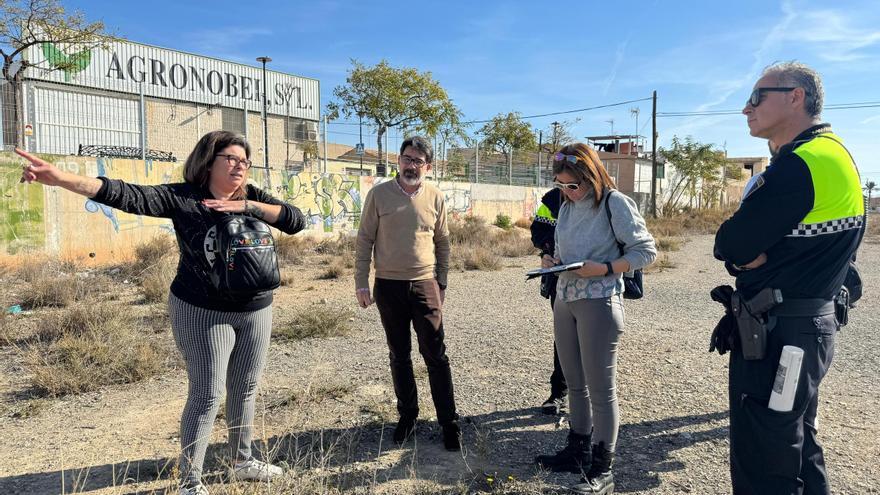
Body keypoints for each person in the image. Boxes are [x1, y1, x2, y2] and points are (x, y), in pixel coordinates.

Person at [17, 130, 307, 495]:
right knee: (207, 394)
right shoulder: (183, 198)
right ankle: (190, 481)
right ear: (208, 162)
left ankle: (242, 461)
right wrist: (61, 178)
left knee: (245, 388)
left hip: (256, 309)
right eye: (231, 158)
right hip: (202, 311)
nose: (239, 166)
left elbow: (295, 221)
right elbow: (127, 194)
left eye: (244, 161)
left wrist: (247, 207)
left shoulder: (251, 196)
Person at [714, 62, 863, 494]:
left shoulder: (802, 162)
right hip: (808, 326)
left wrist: (745, 258)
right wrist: (751, 256)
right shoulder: (835, 153)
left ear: (796, 96)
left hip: (780, 334)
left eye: (756, 97)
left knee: (764, 458)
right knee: (797, 443)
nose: (746, 108)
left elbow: (731, 242)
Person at [534, 143, 656, 494]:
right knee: (575, 384)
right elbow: (563, 248)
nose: (567, 191)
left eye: (573, 185)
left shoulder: (615, 203)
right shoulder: (566, 207)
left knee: (601, 391)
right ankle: (578, 450)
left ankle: (603, 470)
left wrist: (603, 268)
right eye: (560, 185)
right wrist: (550, 260)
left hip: (599, 302)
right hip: (565, 299)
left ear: (591, 175)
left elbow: (646, 251)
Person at [354, 135, 461, 451]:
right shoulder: (378, 195)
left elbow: (442, 242)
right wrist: (361, 282)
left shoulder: (435, 197)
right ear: (398, 160)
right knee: (399, 355)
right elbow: (364, 239)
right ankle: (408, 416)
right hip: (388, 286)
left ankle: (449, 422)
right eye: (406, 158)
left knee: (435, 354)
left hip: (425, 284)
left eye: (418, 161)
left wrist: (441, 282)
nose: (411, 165)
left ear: (428, 166)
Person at [530, 187, 568, 414]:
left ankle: (592, 399)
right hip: (559, 280)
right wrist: (546, 251)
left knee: (592, 342)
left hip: (596, 285)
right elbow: (538, 230)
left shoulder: (604, 196)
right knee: (564, 337)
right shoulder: (553, 198)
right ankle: (559, 392)